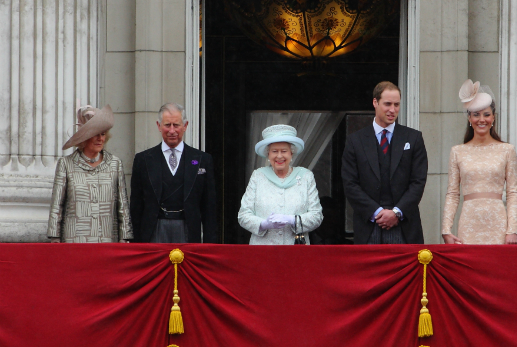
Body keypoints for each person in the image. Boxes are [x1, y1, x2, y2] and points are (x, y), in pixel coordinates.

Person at [341, 81, 428, 244]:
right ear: (375, 102)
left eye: (396, 104)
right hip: (368, 226)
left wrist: (396, 212)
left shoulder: (413, 138)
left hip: (404, 227)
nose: (392, 110)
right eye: (387, 104)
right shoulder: (355, 141)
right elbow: (350, 183)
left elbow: (418, 181)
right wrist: (377, 212)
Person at [441, 80, 517, 245]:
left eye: (486, 114)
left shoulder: (507, 150)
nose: (481, 119)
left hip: (497, 223)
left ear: (493, 117)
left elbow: (512, 193)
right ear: (469, 117)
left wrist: (512, 229)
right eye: (476, 114)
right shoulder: (457, 151)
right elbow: (453, 193)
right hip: (469, 221)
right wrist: (446, 229)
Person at [130, 103, 217, 243]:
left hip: (188, 229)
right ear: (159, 126)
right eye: (167, 125)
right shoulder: (143, 160)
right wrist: (136, 242)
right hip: (154, 230)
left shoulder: (203, 160)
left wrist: (210, 244)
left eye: (176, 125)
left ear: (185, 126)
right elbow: (136, 205)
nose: (171, 130)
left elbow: (209, 207)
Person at [47, 105, 133, 243]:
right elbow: (57, 205)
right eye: (95, 134)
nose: (100, 138)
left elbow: (122, 206)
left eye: (103, 134)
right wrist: (54, 237)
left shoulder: (115, 164)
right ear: (84, 137)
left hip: (107, 241)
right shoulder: (66, 164)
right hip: (74, 242)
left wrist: (125, 237)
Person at [238, 125, 323, 245]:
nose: (279, 156)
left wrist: (293, 220)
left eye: (284, 151)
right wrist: (263, 224)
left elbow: (317, 216)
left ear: (291, 154)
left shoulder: (305, 176)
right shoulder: (258, 176)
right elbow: (243, 215)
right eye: (274, 151)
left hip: (295, 251)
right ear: (268, 155)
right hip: (262, 251)